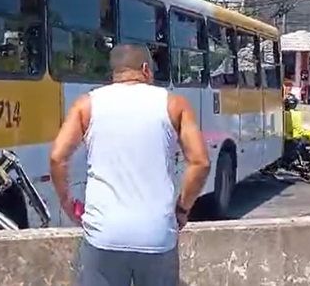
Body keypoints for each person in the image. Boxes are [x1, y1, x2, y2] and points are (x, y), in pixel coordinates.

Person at [49, 43, 211, 286]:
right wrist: (182, 209)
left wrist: (66, 202)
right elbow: (200, 162)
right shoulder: (174, 104)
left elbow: (57, 158)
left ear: (114, 72)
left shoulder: (86, 105)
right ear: (146, 69)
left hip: (103, 234)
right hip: (157, 235)